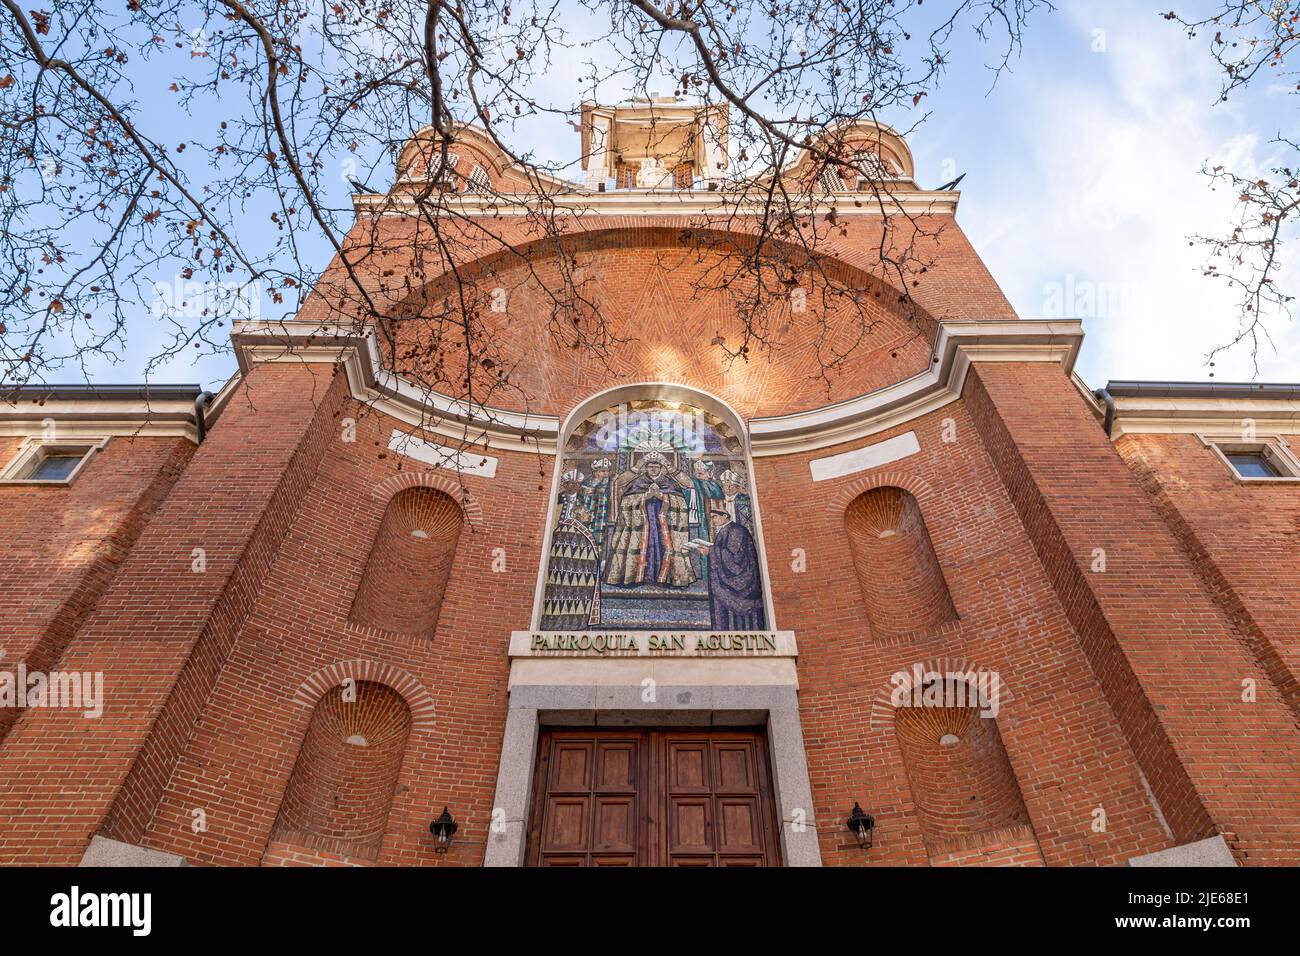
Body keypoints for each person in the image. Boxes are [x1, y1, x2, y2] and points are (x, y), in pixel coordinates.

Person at [603, 452, 695, 587]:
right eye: (650, 466)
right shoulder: (638, 482)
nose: (653, 469)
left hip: (664, 525)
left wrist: (662, 497)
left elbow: (681, 502)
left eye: (656, 467)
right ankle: (638, 577)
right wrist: (645, 497)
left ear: (661, 468)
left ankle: (665, 578)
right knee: (641, 546)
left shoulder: (669, 483)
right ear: (645, 467)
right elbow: (626, 501)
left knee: (664, 547)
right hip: (641, 525)